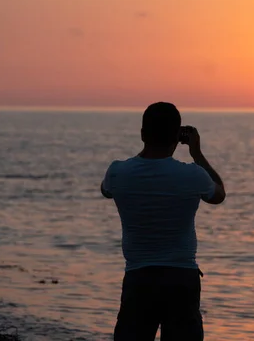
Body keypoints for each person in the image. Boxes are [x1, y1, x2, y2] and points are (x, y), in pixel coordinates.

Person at [101, 102, 226, 341]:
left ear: (141, 134)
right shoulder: (193, 174)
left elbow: (106, 190)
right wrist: (197, 154)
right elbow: (218, 194)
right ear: (177, 136)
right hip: (181, 279)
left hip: (139, 278)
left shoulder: (117, 172)